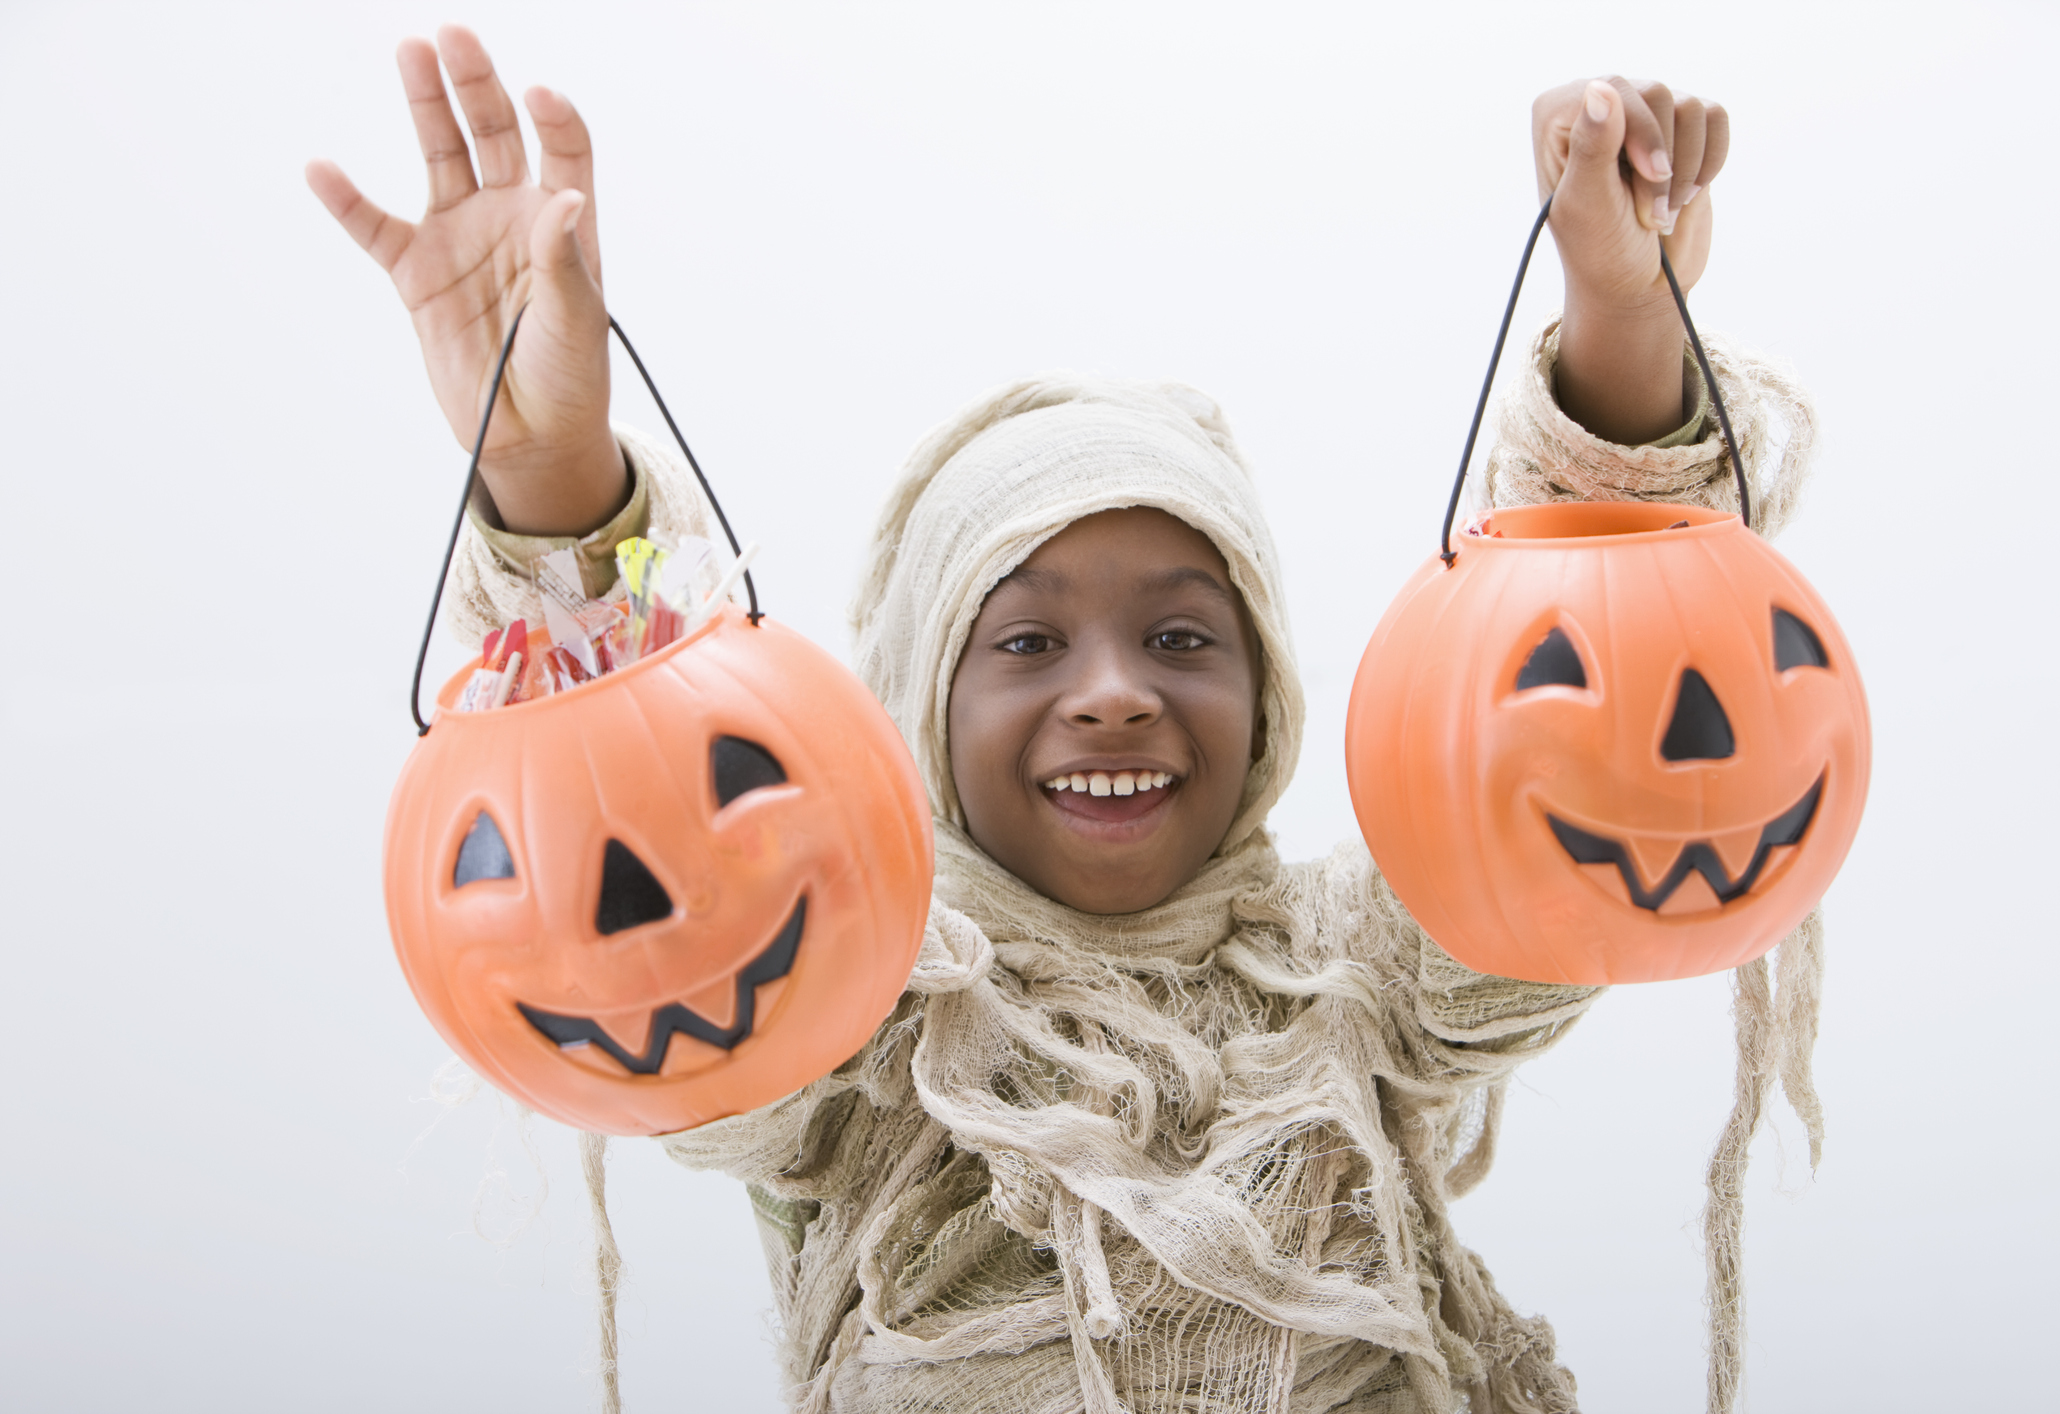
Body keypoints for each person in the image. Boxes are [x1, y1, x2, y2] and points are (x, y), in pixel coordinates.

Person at [310, 25, 1820, 1414]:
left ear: (1268, 697)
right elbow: (626, 822)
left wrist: (1621, 314)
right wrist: (551, 457)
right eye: (1026, 639)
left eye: (1180, 633)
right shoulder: (846, 1005)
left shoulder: (1365, 964)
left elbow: (1595, 712)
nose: (1111, 687)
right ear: (913, 709)